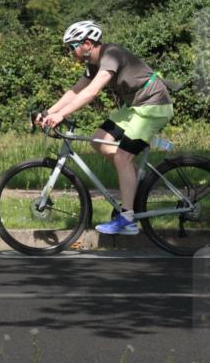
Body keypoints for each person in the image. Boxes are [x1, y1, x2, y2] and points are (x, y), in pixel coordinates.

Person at [38, 20, 174, 235]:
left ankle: (128, 220)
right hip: (136, 107)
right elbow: (76, 91)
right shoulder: (93, 63)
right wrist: (49, 112)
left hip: (153, 106)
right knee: (99, 139)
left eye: (72, 46)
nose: (69, 51)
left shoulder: (111, 55)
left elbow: (91, 92)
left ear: (88, 43)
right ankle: (135, 178)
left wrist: (61, 115)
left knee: (122, 157)